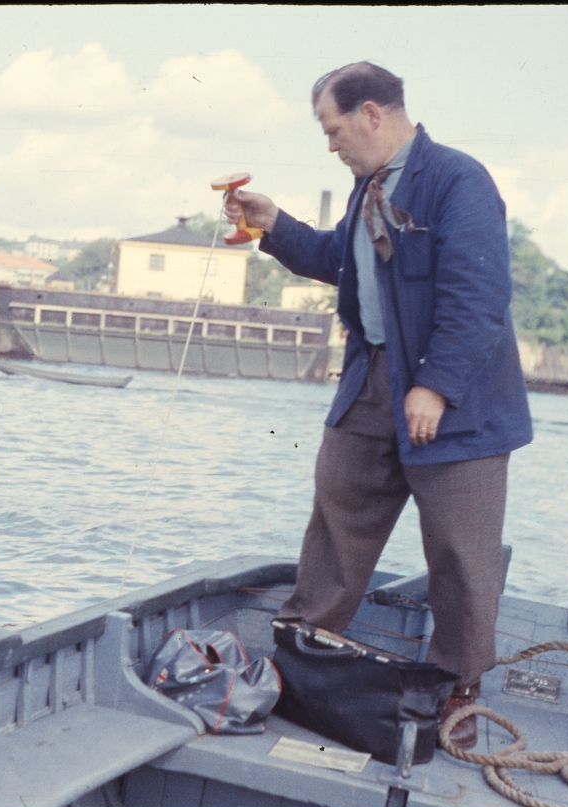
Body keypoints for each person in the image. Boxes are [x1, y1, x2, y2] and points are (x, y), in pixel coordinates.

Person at [226, 61, 533, 749]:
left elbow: (479, 296)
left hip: (456, 394)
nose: (330, 144)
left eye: (333, 129)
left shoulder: (458, 180)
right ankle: (301, 655)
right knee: (337, 515)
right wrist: (272, 225)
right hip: (371, 379)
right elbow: (339, 260)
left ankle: (457, 691)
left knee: (460, 550)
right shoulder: (368, 188)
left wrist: (436, 385)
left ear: (371, 113)